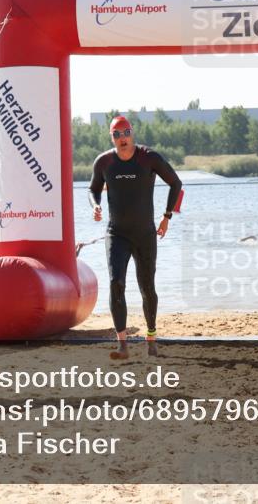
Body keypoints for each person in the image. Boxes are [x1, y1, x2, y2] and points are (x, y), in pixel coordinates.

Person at [89, 116, 183, 359]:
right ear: (111, 137)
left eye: (126, 132)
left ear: (132, 133)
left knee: (147, 286)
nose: (122, 138)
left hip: (144, 234)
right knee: (115, 283)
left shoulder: (148, 158)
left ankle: (151, 338)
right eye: (117, 134)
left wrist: (167, 216)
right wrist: (95, 205)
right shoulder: (104, 161)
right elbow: (93, 189)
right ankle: (122, 345)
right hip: (116, 233)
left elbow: (176, 183)